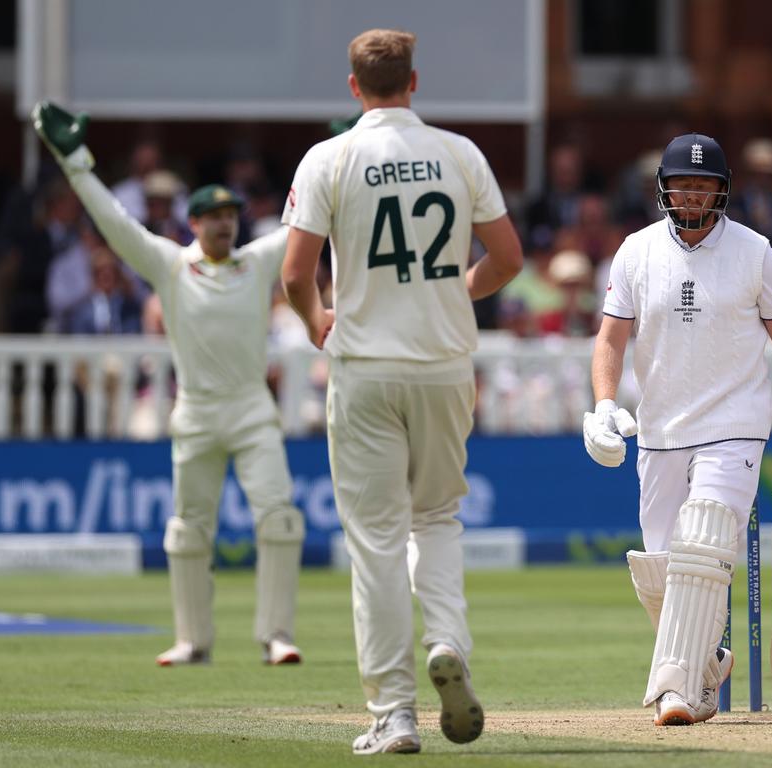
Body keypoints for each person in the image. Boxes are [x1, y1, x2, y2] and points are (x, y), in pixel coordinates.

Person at [281, 29, 522, 755]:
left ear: (354, 87)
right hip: (445, 365)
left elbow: (296, 274)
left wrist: (318, 321)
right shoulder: (458, 152)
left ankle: (394, 713)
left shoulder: (330, 157)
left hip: (365, 368)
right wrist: (457, 290)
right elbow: (507, 258)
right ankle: (447, 641)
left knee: (378, 543)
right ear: (413, 83)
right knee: (438, 519)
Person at [31, 101, 306, 667]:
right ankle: (192, 639)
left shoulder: (258, 262)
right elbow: (114, 223)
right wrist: (77, 163)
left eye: (230, 215)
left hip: (254, 410)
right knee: (187, 531)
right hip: (197, 412)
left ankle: (276, 635)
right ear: (195, 223)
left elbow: (309, 221)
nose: (224, 224)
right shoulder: (170, 265)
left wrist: (350, 153)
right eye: (213, 217)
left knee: (279, 520)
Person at [582, 133, 772, 726]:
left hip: (735, 424)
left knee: (704, 540)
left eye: (704, 185)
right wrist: (602, 406)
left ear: (721, 191)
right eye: (683, 184)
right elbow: (611, 338)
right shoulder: (635, 252)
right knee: (660, 567)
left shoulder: (754, 252)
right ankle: (707, 667)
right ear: (664, 189)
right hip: (660, 428)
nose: (693, 194)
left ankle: (674, 690)